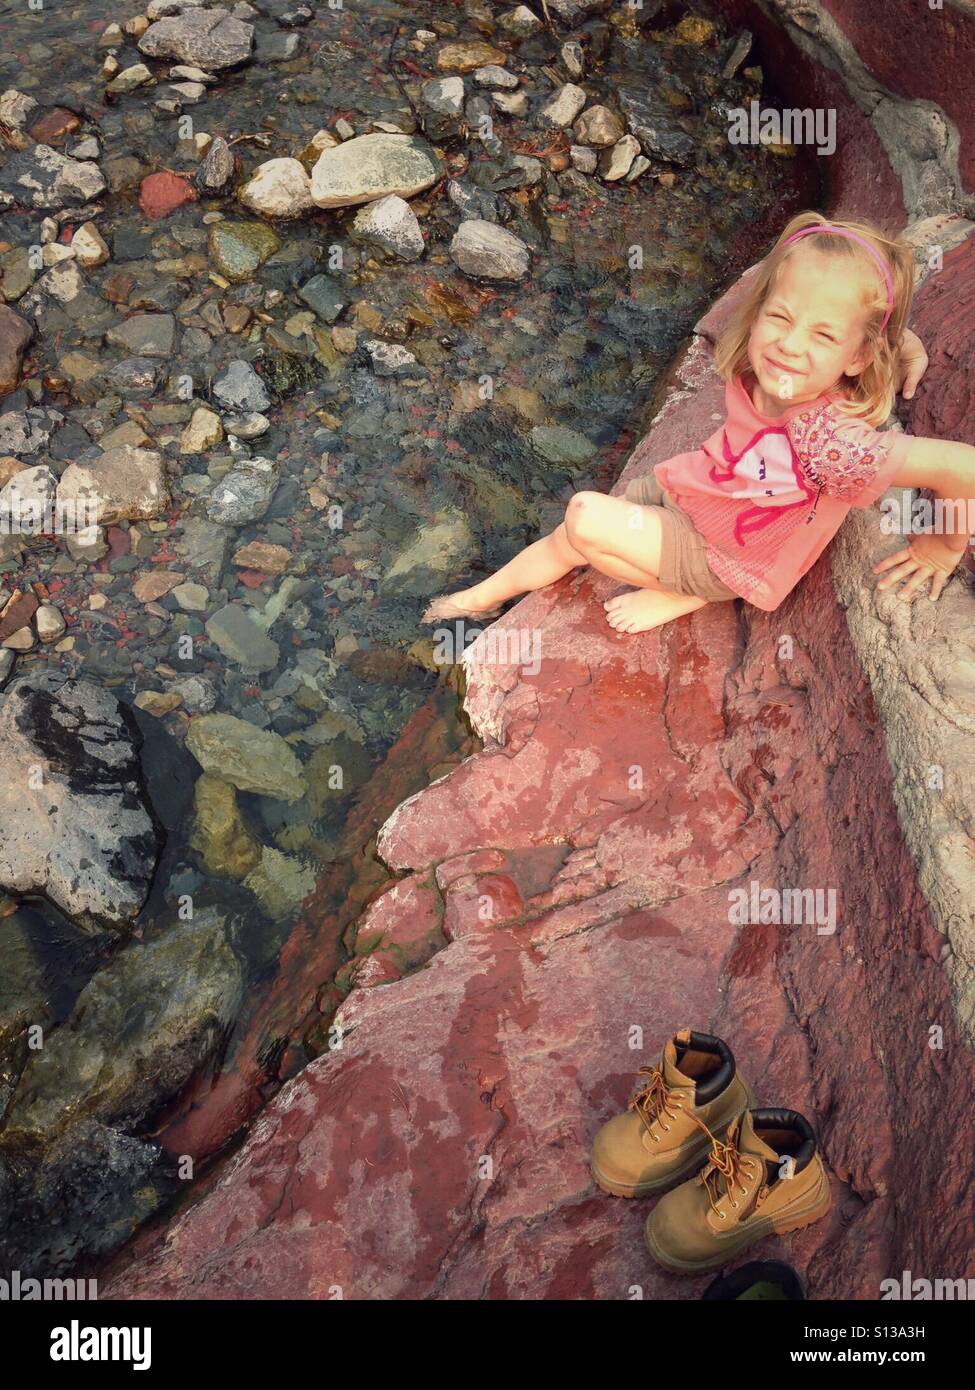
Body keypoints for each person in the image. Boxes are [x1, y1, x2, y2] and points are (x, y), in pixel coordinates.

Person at [422, 212, 972, 635]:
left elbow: (962, 467)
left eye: (823, 337)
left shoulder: (829, 440)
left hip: (729, 555)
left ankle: (690, 592)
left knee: (585, 518)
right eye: (780, 317)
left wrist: (941, 548)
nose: (790, 343)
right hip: (699, 488)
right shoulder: (779, 357)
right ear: (760, 311)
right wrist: (903, 344)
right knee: (573, 535)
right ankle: (482, 597)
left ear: (857, 356)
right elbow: (845, 327)